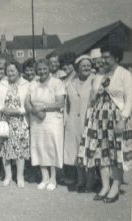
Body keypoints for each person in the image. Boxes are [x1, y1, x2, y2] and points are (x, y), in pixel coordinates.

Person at [77, 45, 132, 203]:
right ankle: (105, 186)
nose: (104, 59)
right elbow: (93, 98)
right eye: (103, 56)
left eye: (107, 57)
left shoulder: (125, 74)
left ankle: (116, 185)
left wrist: (123, 119)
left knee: (116, 153)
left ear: (116, 58)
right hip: (99, 118)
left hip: (117, 118)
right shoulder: (100, 75)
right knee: (100, 152)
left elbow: (129, 100)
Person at [25, 59, 66, 191]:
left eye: (44, 69)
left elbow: (60, 103)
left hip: (52, 120)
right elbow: (27, 102)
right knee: (39, 147)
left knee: (51, 147)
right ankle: (45, 177)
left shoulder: (57, 83)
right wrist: (34, 111)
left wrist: (42, 107)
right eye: (39, 69)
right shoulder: (32, 84)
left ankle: (53, 178)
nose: (42, 72)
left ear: (49, 69)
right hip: (36, 120)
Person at [0, 62, 30, 187]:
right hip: (4, 122)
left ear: (18, 71)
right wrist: (2, 109)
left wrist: (19, 110)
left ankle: (20, 177)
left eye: (13, 71)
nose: (10, 73)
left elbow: (30, 104)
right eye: (8, 71)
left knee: (19, 150)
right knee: (5, 149)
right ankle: (8, 176)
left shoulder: (26, 85)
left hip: (19, 121)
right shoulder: (2, 85)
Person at [64, 55, 95, 191]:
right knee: (76, 151)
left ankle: (91, 181)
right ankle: (80, 180)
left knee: (89, 151)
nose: (86, 68)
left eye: (88, 65)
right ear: (78, 68)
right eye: (83, 65)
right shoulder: (71, 83)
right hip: (73, 122)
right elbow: (66, 105)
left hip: (89, 121)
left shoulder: (95, 81)